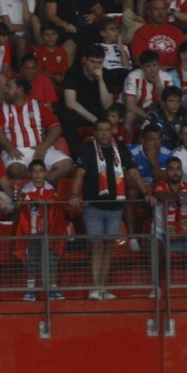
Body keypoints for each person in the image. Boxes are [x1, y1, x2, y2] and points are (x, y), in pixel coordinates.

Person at [70, 117, 129, 300]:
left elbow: (132, 170)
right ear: (95, 133)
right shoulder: (88, 149)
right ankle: (95, 287)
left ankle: (103, 287)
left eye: (107, 129)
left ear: (112, 131)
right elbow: (79, 173)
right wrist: (73, 194)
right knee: (97, 246)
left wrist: (146, 190)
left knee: (109, 247)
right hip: (93, 207)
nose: (104, 133)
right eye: (100, 130)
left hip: (115, 207)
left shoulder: (120, 148)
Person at [0, 74, 68, 183]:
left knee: (66, 165)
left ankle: (41, 186)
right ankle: (41, 185)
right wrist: (10, 148)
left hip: (40, 149)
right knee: (15, 170)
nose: (5, 90)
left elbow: (56, 127)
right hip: (16, 151)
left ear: (19, 90)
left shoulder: (38, 105)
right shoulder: (0, 109)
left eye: (9, 87)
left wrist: (44, 147)